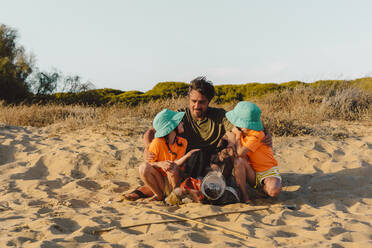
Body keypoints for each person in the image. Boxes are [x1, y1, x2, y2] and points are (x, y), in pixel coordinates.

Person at [124, 76, 272, 201]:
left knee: (219, 166)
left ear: (209, 101)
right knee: (177, 176)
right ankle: (147, 191)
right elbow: (152, 130)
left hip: (213, 162)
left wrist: (265, 132)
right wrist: (147, 147)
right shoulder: (181, 116)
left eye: (201, 102)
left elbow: (240, 127)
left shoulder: (219, 115)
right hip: (189, 163)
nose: (196, 106)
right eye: (193, 101)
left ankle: (216, 188)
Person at [132, 108, 199, 201]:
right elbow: (149, 164)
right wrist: (160, 164)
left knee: (172, 167)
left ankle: (173, 196)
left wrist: (187, 155)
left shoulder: (183, 142)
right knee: (143, 167)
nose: (183, 123)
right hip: (160, 180)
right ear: (172, 127)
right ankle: (158, 195)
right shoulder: (157, 143)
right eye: (180, 122)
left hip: (174, 178)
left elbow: (176, 163)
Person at [225, 101, 282, 203]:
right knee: (239, 161)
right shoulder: (240, 130)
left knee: (274, 190)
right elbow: (229, 135)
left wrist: (237, 136)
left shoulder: (257, 134)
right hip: (252, 173)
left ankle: (262, 190)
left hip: (268, 171)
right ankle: (245, 196)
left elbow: (240, 152)